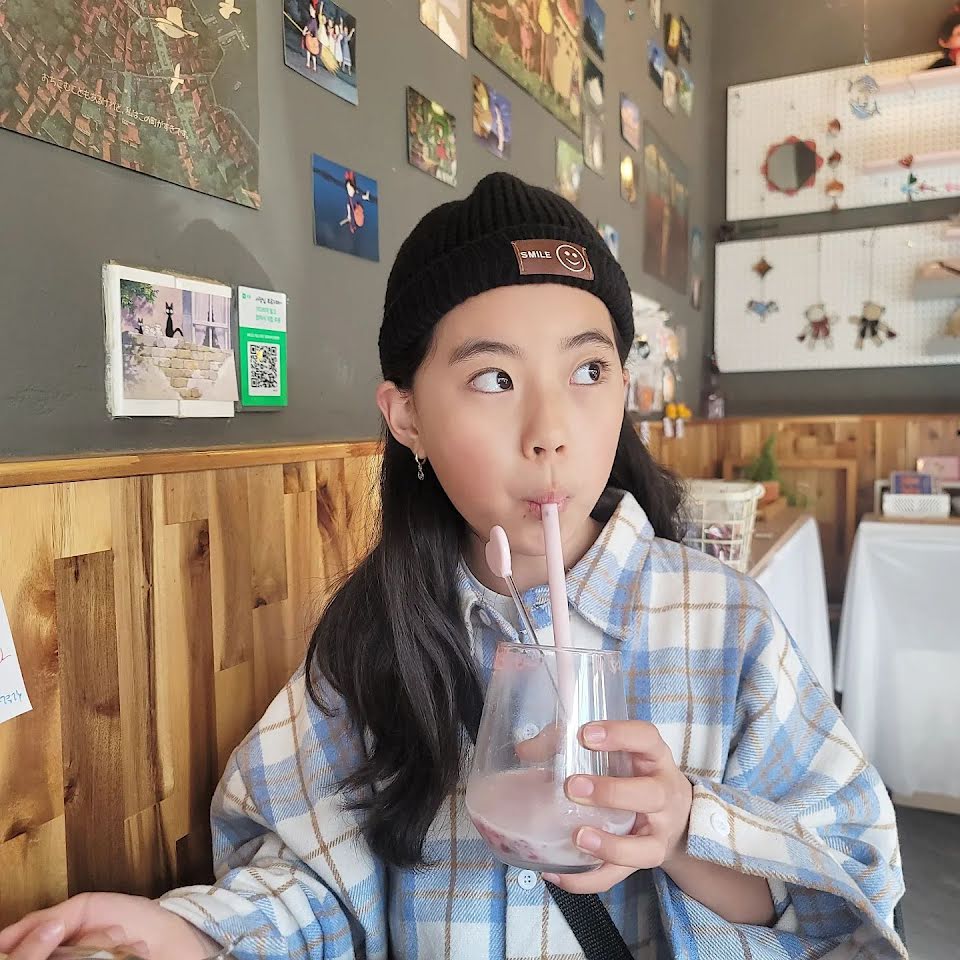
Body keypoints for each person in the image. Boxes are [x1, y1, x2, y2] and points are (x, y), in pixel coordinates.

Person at [0, 173, 907, 960]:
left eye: (588, 372)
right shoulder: (371, 642)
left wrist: (683, 832)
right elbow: (311, 880)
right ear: (408, 418)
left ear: (625, 390)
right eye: (494, 379)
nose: (550, 430)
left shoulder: (726, 624)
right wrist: (194, 936)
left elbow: (847, 888)